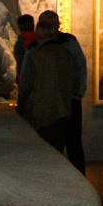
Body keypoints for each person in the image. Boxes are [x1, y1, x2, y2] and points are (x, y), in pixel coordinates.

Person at [17, 10, 86, 168]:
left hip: (49, 105)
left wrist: (23, 106)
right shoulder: (65, 48)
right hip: (64, 104)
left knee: (64, 146)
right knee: (66, 145)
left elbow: (26, 83)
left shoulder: (37, 51)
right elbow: (78, 69)